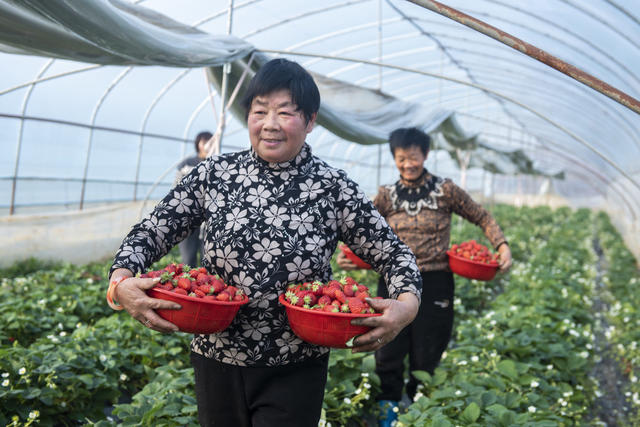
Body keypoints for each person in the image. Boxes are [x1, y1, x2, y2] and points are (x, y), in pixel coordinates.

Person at [106, 58, 422, 427]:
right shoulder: (215, 175)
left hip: (296, 363)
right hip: (216, 355)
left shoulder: (333, 188)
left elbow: (394, 254)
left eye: (285, 112)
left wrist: (406, 308)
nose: (270, 124)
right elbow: (152, 231)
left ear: (311, 120)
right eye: (260, 111)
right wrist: (120, 282)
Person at [337, 127, 513, 427]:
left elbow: (480, 215)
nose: (408, 164)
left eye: (414, 157)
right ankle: (387, 414)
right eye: (402, 158)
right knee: (388, 348)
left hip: (435, 280)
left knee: (428, 348)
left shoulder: (445, 190)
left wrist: (501, 245)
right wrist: (352, 257)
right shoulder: (386, 195)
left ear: (426, 155)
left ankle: (423, 409)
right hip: (392, 282)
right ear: (395, 158)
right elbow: (361, 230)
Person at [174, 131, 212, 267]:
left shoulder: (217, 165)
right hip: (187, 219)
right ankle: (188, 286)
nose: (208, 145)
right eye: (204, 142)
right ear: (198, 144)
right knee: (188, 259)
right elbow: (177, 189)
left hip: (207, 223)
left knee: (206, 262)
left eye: (210, 142)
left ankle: (203, 287)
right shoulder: (187, 164)